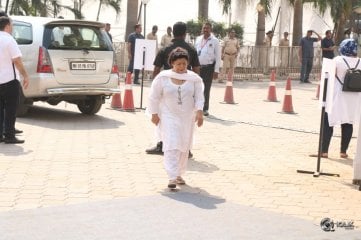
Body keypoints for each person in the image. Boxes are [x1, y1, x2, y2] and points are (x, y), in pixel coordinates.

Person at [147, 47, 204, 189]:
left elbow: (199, 97)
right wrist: (154, 114)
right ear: (172, 63)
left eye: (184, 64)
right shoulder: (163, 77)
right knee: (171, 144)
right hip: (168, 115)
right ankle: (172, 176)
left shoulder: (194, 79)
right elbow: (153, 97)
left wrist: (200, 112)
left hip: (187, 117)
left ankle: (179, 174)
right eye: (178, 64)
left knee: (184, 146)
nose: (181, 67)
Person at [146, 21, 200, 156]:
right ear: (185, 33)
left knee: (163, 118)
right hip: (186, 88)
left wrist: (157, 87)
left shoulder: (165, 49)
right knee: (186, 120)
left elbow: (156, 70)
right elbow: (197, 70)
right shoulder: (191, 49)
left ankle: (161, 144)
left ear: (174, 33)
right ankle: (186, 149)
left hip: (167, 89)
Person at [310, 39, 361, 159]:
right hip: (353, 98)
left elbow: (327, 75)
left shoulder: (338, 60)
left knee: (328, 121)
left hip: (337, 96)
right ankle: (343, 152)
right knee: (348, 122)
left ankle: (324, 151)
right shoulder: (360, 62)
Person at [0, 16, 29, 144]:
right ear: (7, 26)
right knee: (11, 108)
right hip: (10, 80)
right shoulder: (9, 40)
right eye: (11, 25)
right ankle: (9, 136)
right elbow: (16, 60)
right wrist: (25, 75)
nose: (12, 27)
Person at [194, 22, 221, 116]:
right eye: (204, 28)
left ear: (211, 29)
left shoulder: (215, 41)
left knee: (206, 89)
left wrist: (216, 71)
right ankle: (196, 107)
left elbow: (218, 57)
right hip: (197, 68)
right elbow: (195, 53)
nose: (205, 29)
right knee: (196, 88)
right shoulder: (198, 39)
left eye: (208, 28)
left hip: (209, 68)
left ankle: (205, 108)